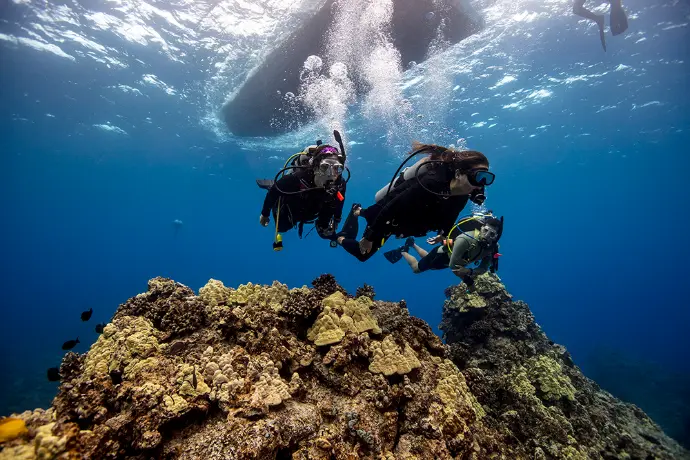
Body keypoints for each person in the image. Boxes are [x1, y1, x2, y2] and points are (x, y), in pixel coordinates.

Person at [333, 142, 494, 261]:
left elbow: (453, 214)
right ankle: (340, 237)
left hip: (402, 221)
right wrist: (369, 237)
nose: (481, 186)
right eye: (478, 177)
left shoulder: (462, 194)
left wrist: (444, 234)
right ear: (458, 174)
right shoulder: (431, 183)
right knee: (362, 253)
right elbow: (391, 206)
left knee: (370, 216)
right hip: (387, 215)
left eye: (486, 179)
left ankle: (359, 211)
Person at [257, 133, 348, 250]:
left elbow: (340, 200)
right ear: (315, 167)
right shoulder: (297, 178)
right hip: (294, 209)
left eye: (336, 168)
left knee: (325, 231)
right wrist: (265, 214)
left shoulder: (340, 183)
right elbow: (274, 192)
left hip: (316, 210)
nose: (331, 174)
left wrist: (337, 219)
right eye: (325, 167)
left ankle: (322, 224)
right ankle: (274, 190)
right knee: (282, 228)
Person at [384, 212, 503, 288]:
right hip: (441, 257)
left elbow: (483, 268)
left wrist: (470, 271)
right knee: (416, 268)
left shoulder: (492, 248)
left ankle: (412, 244)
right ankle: (403, 251)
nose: (487, 236)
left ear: (496, 237)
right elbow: (454, 267)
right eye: (485, 230)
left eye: (492, 234)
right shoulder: (465, 239)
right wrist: (469, 282)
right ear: (481, 228)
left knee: (427, 258)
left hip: (445, 254)